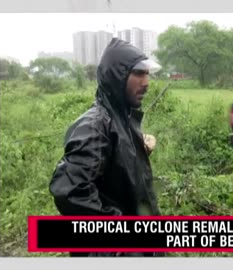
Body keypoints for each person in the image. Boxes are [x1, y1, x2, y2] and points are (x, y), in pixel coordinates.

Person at [49, 38, 162, 257]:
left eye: (148, 74)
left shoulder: (122, 118)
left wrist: (139, 150)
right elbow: (71, 191)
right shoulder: (94, 125)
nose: (146, 82)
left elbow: (113, 167)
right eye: (138, 73)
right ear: (116, 76)